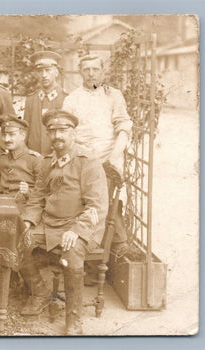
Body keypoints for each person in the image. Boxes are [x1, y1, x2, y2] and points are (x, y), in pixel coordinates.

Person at [19, 109, 108, 335]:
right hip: (49, 225)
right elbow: (37, 197)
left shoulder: (87, 162)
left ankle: (73, 319)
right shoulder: (47, 162)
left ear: (73, 133)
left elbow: (96, 206)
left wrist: (77, 231)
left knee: (71, 254)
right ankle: (39, 293)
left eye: (63, 130)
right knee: (17, 243)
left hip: (79, 226)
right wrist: (28, 223)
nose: (57, 135)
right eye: (52, 131)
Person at [62, 54, 132, 254]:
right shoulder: (72, 99)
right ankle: (84, 254)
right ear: (80, 72)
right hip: (81, 160)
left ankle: (112, 253)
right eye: (86, 69)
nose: (91, 73)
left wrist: (114, 157)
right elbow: (68, 132)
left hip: (107, 159)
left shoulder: (113, 95)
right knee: (81, 207)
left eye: (95, 69)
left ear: (102, 71)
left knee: (107, 207)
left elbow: (124, 126)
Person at [23, 51, 68, 155]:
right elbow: (26, 130)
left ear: (56, 72)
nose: (44, 75)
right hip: (34, 157)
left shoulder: (66, 98)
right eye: (40, 71)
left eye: (48, 70)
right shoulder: (31, 99)